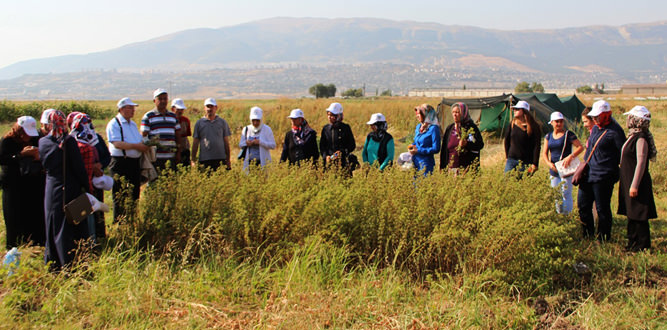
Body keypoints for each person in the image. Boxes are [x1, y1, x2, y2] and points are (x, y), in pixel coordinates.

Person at [39, 110, 90, 271]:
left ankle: (53, 264)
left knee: (53, 225)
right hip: (71, 189)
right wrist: (86, 187)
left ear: (48, 125)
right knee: (72, 227)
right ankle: (71, 265)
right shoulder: (69, 142)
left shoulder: (43, 143)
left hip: (52, 190)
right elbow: (78, 168)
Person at [578, 100, 625, 241]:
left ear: (605, 114)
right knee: (583, 206)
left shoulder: (615, 131)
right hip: (588, 175)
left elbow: (623, 154)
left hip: (604, 176)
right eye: (593, 116)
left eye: (596, 116)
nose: (594, 119)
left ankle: (603, 238)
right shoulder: (596, 128)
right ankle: (587, 236)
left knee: (602, 209)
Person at [0, 116, 45, 248]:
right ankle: (14, 247)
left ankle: (34, 243)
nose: (28, 137)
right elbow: (3, 160)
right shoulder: (7, 141)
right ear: (19, 130)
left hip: (31, 182)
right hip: (12, 184)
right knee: (13, 215)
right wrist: (21, 155)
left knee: (32, 213)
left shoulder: (35, 139)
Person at [618, 106, 657, 251]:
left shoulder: (641, 139)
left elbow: (641, 163)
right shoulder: (633, 136)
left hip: (637, 182)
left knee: (639, 213)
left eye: (631, 117)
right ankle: (632, 242)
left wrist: (634, 185)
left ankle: (642, 244)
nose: (628, 119)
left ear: (636, 120)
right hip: (628, 179)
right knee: (631, 212)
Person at [107, 97, 149, 223]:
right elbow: (117, 143)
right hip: (120, 162)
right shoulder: (114, 123)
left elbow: (136, 139)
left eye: (133, 108)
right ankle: (119, 223)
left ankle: (131, 220)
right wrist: (137, 147)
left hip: (133, 163)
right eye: (130, 108)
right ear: (121, 109)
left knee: (134, 193)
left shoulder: (132, 124)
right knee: (120, 195)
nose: (133, 110)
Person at [542, 112, 584, 214]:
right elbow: (544, 153)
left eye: (561, 121)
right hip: (554, 169)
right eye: (557, 121)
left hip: (565, 168)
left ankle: (567, 216)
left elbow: (580, 147)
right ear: (551, 122)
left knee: (566, 193)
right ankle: (559, 215)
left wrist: (571, 156)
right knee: (556, 194)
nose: (559, 124)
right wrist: (549, 164)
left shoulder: (568, 135)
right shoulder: (548, 136)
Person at [70, 113, 103, 240]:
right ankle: (90, 244)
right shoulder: (86, 148)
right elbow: (86, 171)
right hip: (84, 186)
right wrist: (89, 188)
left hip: (72, 187)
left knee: (77, 219)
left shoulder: (69, 143)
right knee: (86, 219)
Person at [141, 88, 182, 172]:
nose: (163, 101)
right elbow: (143, 136)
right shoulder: (148, 116)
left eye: (165, 98)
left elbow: (178, 136)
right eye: (160, 99)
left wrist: (178, 153)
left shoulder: (173, 116)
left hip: (171, 157)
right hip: (155, 158)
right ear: (154, 101)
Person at [439, 102, 484, 174]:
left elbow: (480, 144)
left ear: (463, 113)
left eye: (457, 112)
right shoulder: (450, 128)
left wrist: (467, 144)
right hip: (451, 169)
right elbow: (444, 149)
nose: (454, 114)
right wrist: (442, 167)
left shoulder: (471, 127)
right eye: (453, 112)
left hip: (467, 169)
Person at [191, 98, 232, 171]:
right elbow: (195, 142)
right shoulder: (199, 123)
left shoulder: (222, 122)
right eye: (208, 106)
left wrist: (228, 159)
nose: (209, 109)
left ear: (216, 108)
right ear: (204, 108)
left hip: (220, 158)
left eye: (211, 106)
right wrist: (193, 160)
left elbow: (226, 142)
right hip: (205, 159)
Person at [504, 100, 541, 174]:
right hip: (512, 160)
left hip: (526, 162)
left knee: (522, 183)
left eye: (517, 109)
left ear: (524, 111)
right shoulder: (512, 124)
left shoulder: (534, 126)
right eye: (514, 109)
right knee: (507, 182)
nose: (514, 110)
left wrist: (535, 163)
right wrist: (507, 157)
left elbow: (537, 146)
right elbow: (506, 141)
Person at [320, 102, 356, 174]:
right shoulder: (326, 129)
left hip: (343, 163)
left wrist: (342, 152)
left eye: (332, 115)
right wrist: (326, 156)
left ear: (338, 116)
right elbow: (322, 146)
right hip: (329, 164)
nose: (330, 117)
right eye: (328, 114)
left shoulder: (346, 128)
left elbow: (352, 145)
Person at [409, 104, 441, 175]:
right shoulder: (418, 127)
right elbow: (417, 142)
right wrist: (412, 146)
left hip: (426, 163)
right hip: (415, 161)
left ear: (426, 114)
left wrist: (419, 150)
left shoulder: (433, 128)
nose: (417, 116)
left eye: (419, 114)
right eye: (416, 114)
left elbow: (436, 148)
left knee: (423, 183)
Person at [172, 98, 192, 167]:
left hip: (185, 149)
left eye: (182, 109)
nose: (180, 111)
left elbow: (187, 134)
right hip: (172, 150)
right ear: (173, 109)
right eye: (178, 109)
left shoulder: (186, 120)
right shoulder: (170, 120)